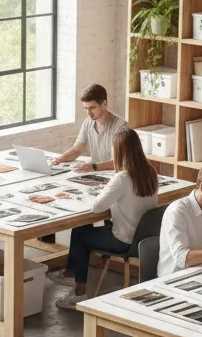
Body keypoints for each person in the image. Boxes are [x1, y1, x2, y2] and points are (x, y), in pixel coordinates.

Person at [50, 128, 159, 310]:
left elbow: (97, 207)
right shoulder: (150, 172)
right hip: (144, 240)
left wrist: (107, 190)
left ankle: (79, 292)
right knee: (86, 230)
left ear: (120, 151)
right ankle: (70, 273)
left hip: (123, 241)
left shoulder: (123, 178)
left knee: (80, 232)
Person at [53, 83, 129, 173]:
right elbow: (76, 150)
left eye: (92, 108)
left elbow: (118, 162)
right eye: (86, 108)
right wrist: (57, 160)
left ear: (104, 104)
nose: (88, 112)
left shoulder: (120, 127)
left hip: (115, 176)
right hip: (96, 173)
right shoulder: (87, 123)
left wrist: (93, 166)